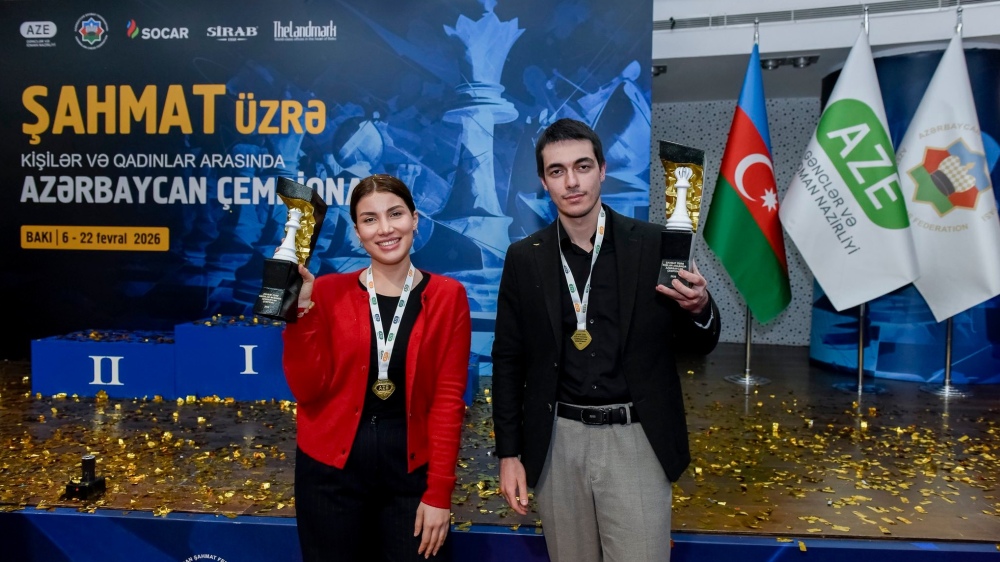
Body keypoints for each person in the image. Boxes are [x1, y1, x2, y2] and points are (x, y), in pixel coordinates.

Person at [491, 118, 720, 561]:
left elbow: (700, 345)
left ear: (601, 169)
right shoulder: (524, 258)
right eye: (557, 171)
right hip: (557, 442)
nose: (571, 181)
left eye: (582, 166)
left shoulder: (655, 244)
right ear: (543, 181)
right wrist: (509, 454)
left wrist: (699, 308)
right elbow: (508, 360)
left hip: (636, 438)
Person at [282, 174, 471, 561]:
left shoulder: (448, 297)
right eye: (370, 219)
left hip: (410, 476)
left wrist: (439, 493)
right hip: (329, 476)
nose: (385, 229)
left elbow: (448, 401)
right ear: (357, 232)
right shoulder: (326, 291)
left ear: (415, 220)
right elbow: (306, 389)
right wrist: (300, 315)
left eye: (395, 214)